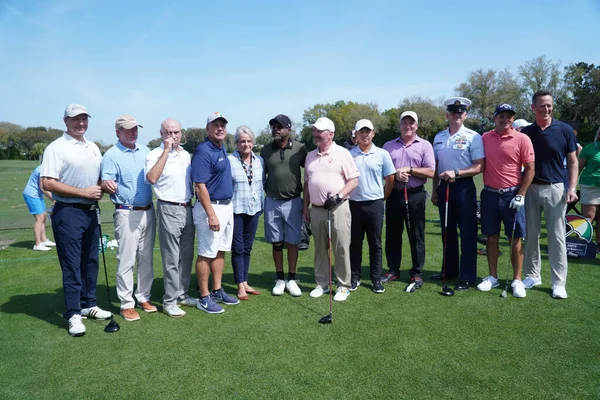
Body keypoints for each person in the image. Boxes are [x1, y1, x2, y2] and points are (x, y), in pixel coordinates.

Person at [41, 104, 112, 337]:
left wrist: (104, 184)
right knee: (71, 264)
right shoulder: (56, 147)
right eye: (75, 119)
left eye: (84, 119)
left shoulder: (92, 146)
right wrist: (84, 193)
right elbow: (48, 183)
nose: (80, 123)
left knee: (90, 261)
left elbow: (98, 176)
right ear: (65, 121)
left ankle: (89, 303)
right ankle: (73, 313)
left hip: (91, 211)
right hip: (68, 211)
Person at [521, 90, 578, 299]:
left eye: (549, 105)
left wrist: (571, 188)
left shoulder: (564, 130)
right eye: (542, 105)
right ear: (533, 107)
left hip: (556, 188)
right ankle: (532, 275)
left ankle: (558, 282)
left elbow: (572, 162)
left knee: (556, 237)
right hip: (531, 188)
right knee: (531, 235)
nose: (547, 109)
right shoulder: (526, 132)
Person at [101, 115, 156, 321]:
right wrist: (107, 184)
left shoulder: (146, 151)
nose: (133, 133)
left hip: (149, 210)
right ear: (118, 132)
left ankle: (143, 296)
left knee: (146, 258)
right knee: (126, 259)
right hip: (126, 211)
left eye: (135, 129)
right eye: (128, 130)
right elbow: (106, 180)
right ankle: (126, 303)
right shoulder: (111, 155)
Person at [476, 104, 535, 298]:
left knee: (514, 239)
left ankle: (517, 279)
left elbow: (530, 169)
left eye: (509, 116)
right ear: (495, 118)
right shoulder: (485, 138)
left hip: (512, 195)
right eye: (501, 116)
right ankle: (493, 277)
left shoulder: (522, 139)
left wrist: (521, 194)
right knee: (491, 237)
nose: (506, 119)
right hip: (489, 194)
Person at [303, 117, 359, 302]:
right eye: (315, 131)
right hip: (317, 209)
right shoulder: (310, 156)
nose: (316, 134)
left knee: (341, 247)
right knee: (320, 248)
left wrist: (338, 196)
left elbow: (353, 180)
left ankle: (343, 285)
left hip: (338, 208)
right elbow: (307, 184)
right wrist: (306, 208)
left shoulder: (343, 153)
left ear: (331, 133)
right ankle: (322, 283)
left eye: (320, 131)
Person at [431, 97, 484, 290]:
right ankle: (449, 270)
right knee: (447, 231)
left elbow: (479, 166)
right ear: (447, 115)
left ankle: (468, 276)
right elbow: (437, 167)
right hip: (444, 187)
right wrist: (435, 188)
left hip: (463, 187)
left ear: (466, 115)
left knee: (468, 233)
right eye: (453, 112)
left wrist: (458, 173)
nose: (457, 115)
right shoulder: (438, 137)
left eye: (460, 112)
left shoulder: (473, 136)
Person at [146, 118, 196, 318]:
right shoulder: (155, 154)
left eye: (177, 132)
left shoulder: (186, 155)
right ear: (161, 134)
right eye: (169, 132)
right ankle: (169, 301)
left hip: (187, 207)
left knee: (186, 255)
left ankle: (182, 294)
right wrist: (166, 151)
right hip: (168, 208)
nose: (174, 136)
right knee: (171, 258)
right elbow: (151, 178)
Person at [191, 112, 239, 314]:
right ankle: (204, 296)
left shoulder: (221, 147)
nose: (220, 128)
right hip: (211, 208)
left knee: (220, 250)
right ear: (207, 129)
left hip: (226, 206)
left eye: (223, 125)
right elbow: (200, 185)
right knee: (206, 253)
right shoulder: (204, 150)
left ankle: (217, 289)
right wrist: (211, 214)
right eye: (215, 125)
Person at [382, 111, 435, 289]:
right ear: (400, 125)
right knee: (393, 234)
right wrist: (395, 174)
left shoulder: (425, 145)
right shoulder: (388, 146)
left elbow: (430, 171)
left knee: (416, 235)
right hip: (394, 194)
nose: (408, 126)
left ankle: (417, 272)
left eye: (411, 123)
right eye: (404, 123)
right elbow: (382, 170)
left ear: (416, 126)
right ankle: (393, 269)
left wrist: (410, 170)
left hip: (415, 195)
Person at [260, 114, 307, 297]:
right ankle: (280, 279)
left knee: (293, 242)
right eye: (273, 126)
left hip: (293, 201)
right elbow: (260, 175)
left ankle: (292, 278)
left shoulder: (300, 148)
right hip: (272, 202)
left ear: (288, 129)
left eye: (279, 126)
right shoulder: (265, 150)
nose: (276, 129)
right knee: (277, 242)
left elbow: (310, 171)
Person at [348, 119, 395, 293]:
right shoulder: (350, 155)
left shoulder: (382, 154)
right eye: (361, 131)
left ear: (373, 133)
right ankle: (355, 276)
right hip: (354, 204)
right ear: (356, 135)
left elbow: (390, 179)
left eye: (368, 131)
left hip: (375, 203)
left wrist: (381, 198)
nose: (365, 134)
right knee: (355, 243)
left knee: (375, 243)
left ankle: (376, 278)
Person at [228, 125, 264, 300]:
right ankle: (239, 284)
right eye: (242, 141)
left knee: (248, 248)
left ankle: (245, 281)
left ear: (253, 142)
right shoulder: (230, 161)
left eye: (249, 141)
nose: (246, 144)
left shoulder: (259, 161)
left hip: (254, 209)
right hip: (236, 209)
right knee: (238, 248)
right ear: (236, 143)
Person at [23, 163, 55, 251]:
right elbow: (42, 187)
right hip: (32, 195)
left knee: (43, 216)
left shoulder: (47, 168)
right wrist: (53, 199)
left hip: (38, 195)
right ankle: (38, 244)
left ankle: (43, 240)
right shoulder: (42, 169)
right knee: (40, 218)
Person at [578, 127, 600, 251]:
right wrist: (570, 185)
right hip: (590, 186)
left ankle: (599, 245)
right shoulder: (589, 148)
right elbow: (579, 166)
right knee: (588, 217)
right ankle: (581, 245)